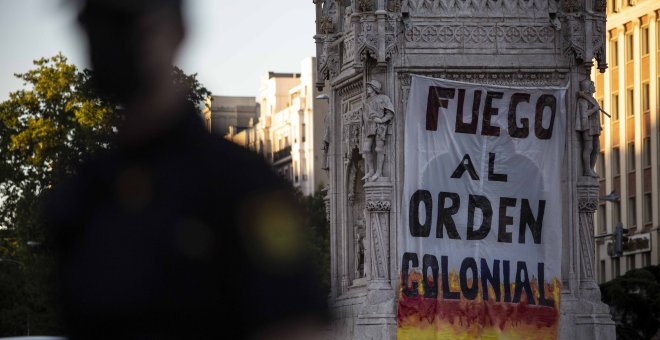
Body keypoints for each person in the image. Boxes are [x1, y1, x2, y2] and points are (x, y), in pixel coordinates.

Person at [46, 0, 328, 339]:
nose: (108, 40)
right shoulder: (81, 198)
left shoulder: (246, 186)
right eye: (94, 22)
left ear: (178, 31)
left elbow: (298, 327)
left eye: (126, 22)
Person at [361, 80, 394, 181]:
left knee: (379, 149)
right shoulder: (366, 101)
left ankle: (379, 171)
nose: (367, 89)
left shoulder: (383, 98)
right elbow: (364, 115)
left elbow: (390, 113)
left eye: (369, 87)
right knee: (366, 148)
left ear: (374, 88)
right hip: (369, 126)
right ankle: (371, 170)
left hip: (380, 126)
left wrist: (381, 120)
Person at [575, 79, 601, 177]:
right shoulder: (582, 101)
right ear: (588, 88)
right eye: (592, 85)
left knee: (596, 148)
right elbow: (584, 114)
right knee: (588, 147)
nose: (594, 87)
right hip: (587, 127)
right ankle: (587, 170)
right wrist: (594, 109)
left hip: (595, 126)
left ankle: (591, 168)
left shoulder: (592, 99)